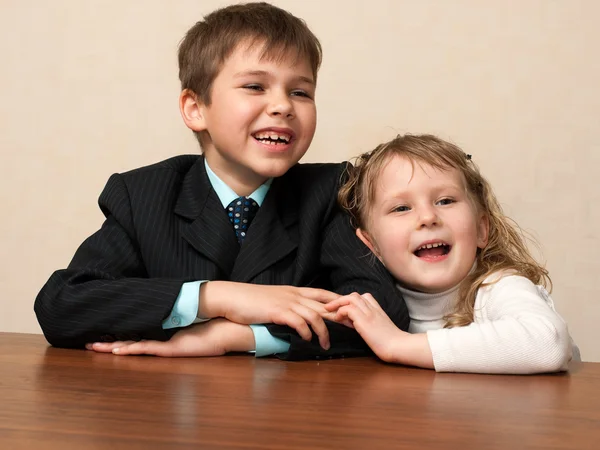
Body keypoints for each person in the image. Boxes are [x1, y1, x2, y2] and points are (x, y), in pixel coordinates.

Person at [34, 2, 408, 360]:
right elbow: (62, 304)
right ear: (196, 109)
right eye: (255, 87)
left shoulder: (333, 191)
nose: (283, 105)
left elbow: (380, 311)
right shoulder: (142, 195)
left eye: (300, 92)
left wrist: (236, 337)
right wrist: (218, 298)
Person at [327, 134, 578, 373]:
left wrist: (395, 344)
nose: (427, 217)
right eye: (401, 208)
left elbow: (548, 344)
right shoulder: (376, 307)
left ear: (481, 229)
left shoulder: (499, 287)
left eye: (445, 201)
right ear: (372, 245)